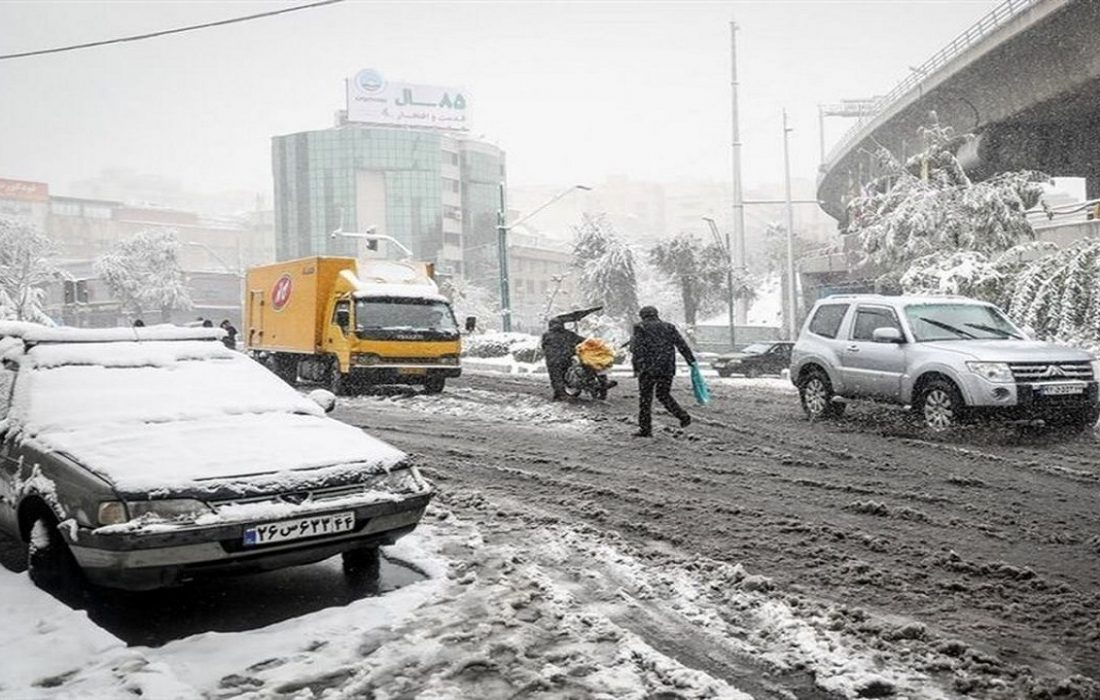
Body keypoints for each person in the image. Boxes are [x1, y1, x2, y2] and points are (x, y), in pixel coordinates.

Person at [630, 305, 695, 437]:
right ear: (656, 314)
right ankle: (683, 416)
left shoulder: (640, 327)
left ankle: (645, 430)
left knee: (645, 399)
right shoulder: (669, 327)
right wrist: (691, 361)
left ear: (642, 315)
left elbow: (637, 349)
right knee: (663, 394)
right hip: (666, 368)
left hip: (648, 369)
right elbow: (681, 344)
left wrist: (636, 368)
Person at [540, 317, 584, 400]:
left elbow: (543, 346)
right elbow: (582, 340)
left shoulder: (547, 335)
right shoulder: (569, 334)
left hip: (552, 360)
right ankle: (562, 392)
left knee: (556, 377)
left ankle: (560, 394)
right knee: (565, 373)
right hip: (566, 358)